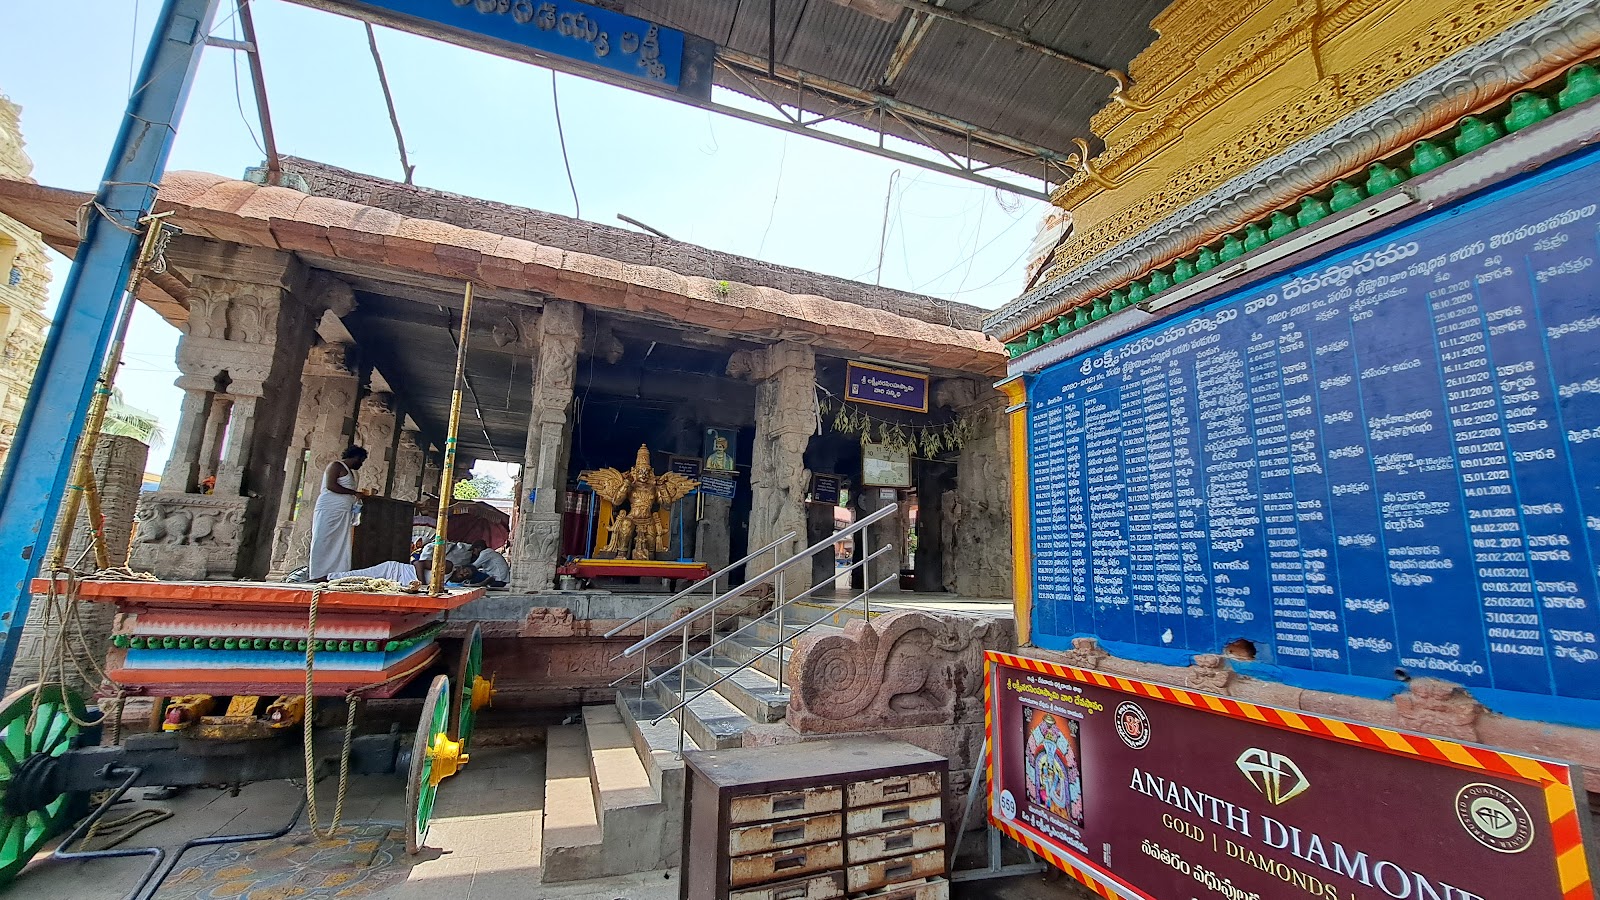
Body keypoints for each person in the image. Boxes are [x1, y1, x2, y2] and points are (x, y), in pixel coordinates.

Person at [309, 446, 369, 581]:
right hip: (329, 508)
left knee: (339, 543)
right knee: (323, 540)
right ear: (356, 458)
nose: (361, 464)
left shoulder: (351, 473)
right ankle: (317, 574)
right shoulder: (335, 466)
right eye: (361, 461)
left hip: (343, 511)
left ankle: (335, 573)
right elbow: (331, 486)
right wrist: (354, 493)